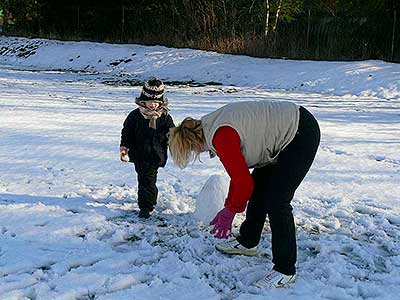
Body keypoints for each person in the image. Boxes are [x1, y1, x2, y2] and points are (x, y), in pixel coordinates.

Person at [168, 100, 320, 288]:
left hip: (299, 133)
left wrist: (230, 212)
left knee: (277, 201)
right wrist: (229, 206)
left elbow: (242, 183)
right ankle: (248, 242)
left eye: (190, 150)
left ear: (192, 142)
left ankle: (285, 269)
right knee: (259, 188)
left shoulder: (221, 137)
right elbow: (239, 175)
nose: (194, 153)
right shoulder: (209, 125)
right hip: (283, 133)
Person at [120, 78, 175, 219]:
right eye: (150, 102)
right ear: (143, 101)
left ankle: (149, 203)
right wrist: (124, 148)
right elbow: (126, 133)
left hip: (157, 154)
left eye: (157, 102)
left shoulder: (165, 117)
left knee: (149, 179)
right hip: (140, 154)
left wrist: (177, 145)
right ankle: (146, 206)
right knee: (146, 179)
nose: (153, 105)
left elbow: (172, 134)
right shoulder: (135, 116)